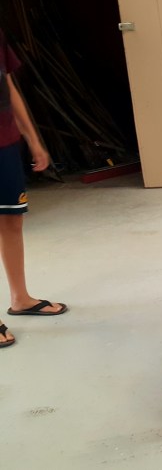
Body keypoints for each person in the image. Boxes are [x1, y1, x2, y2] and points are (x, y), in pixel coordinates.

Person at [0, 29, 68, 348]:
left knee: (12, 221)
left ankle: (21, 299)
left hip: (5, 142)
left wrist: (33, 139)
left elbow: (8, 86)